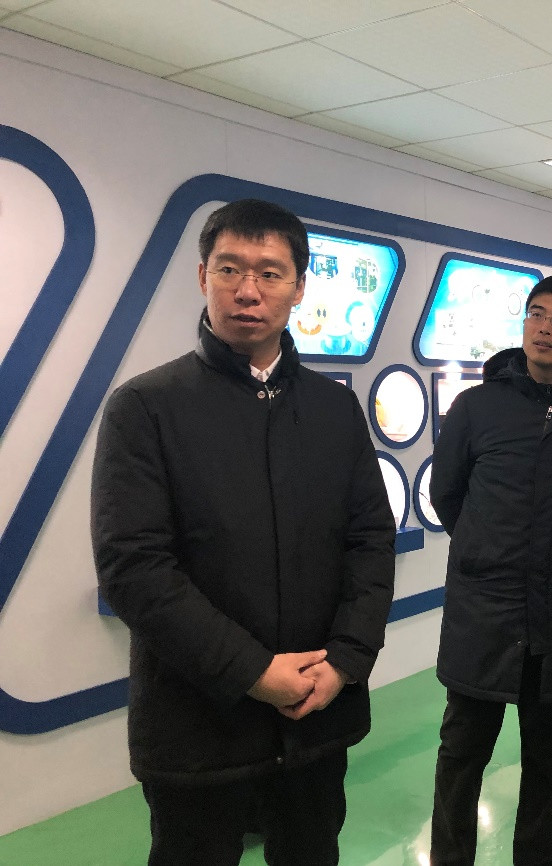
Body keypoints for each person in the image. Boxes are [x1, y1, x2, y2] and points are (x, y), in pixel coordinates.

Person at [91, 199, 397, 866]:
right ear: (203, 276)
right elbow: (134, 568)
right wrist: (253, 671)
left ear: (299, 288)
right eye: (230, 269)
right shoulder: (145, 407)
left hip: (315, 715)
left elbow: (370, 540)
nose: (248, 291)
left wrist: (346, 660)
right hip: (197, 728)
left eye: (269, 273)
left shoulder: (334, 408)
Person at [428, 274, 552, 866]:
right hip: (484, 612)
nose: (544, 327)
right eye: (536, 314)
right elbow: (448, 497)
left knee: (549, 757)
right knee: (462, 753)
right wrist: (491, 550)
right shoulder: (475, 407)